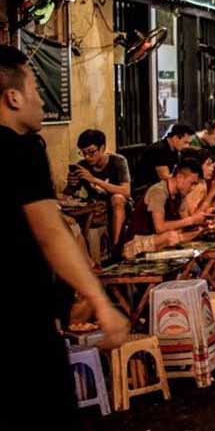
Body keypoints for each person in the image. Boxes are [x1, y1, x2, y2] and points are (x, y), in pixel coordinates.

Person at [0, 45, 129, 430]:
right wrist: (100, 301)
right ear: (13, 96)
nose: (42, 99)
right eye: (37, 88)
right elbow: (51, 233)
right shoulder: (20, 150)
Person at [121, 159, 208, 259]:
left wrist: (200, 225)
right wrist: (191, 220)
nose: (193, 188)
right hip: (135, 244)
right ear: (180, 177)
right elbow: (160, 227)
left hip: (158, 240)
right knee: (171, 236)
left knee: (192, 233)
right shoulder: (158, 192)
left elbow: (185, 222)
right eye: (192, 183)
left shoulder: (180, 194)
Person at [64, 129, 131, 245]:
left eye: (91, 152)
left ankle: (117, 246)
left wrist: (94, 180)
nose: (87, 157)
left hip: (120, 204)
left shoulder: (118, 161)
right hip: (95, 204)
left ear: (102, 148)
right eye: (83, 153)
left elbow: (126, 191)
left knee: (117, 198)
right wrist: (71, 183)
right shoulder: (82, 165)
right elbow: (68, 194)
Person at [133, 123, 194, 193]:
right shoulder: (159, 150)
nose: (187, 146)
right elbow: (165, 177)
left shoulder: (175, 150)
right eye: (185, 142)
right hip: (145, 189)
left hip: (160, 187)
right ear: (175, 138)